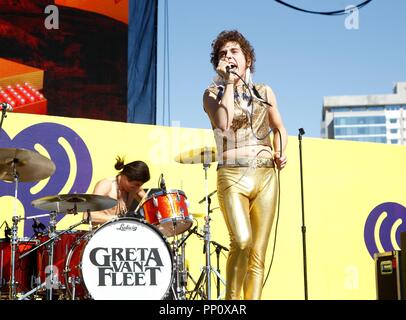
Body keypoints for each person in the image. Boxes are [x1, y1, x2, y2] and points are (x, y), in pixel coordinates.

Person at [203, 30, 288, 300]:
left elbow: (279, 128)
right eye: (222, 54)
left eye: (234, 52)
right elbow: (224, 124)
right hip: (232, 173)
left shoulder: (264, 91)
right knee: (241, 241)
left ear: (247, 59)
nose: (228, 56)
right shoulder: (212, 93)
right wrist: (228, 83)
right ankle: (231, 303)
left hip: (266, 174)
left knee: (258, 252)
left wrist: (280, 151)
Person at [84, 156, 151, 227]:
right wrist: (118, 219)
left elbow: (150, 206)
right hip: (102, 233)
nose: (138, 188)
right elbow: (87, 215)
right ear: (126, 177)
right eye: (136, 184)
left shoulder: (135, 189)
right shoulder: (106, 185)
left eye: (140, 185)